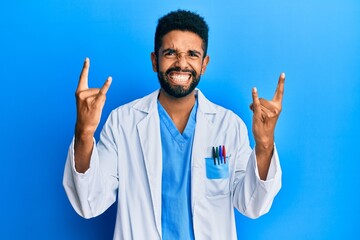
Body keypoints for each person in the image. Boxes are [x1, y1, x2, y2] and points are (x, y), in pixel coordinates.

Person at [63, 9, 285, 240]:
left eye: (192, 54)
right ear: (154, 60)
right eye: (170, 53)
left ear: (204, 63)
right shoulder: (123, 122)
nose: (181, 64)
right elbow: (89, 201)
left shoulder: (227, 126)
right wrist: (84, 134)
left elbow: (252, 204)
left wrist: (264, 145)